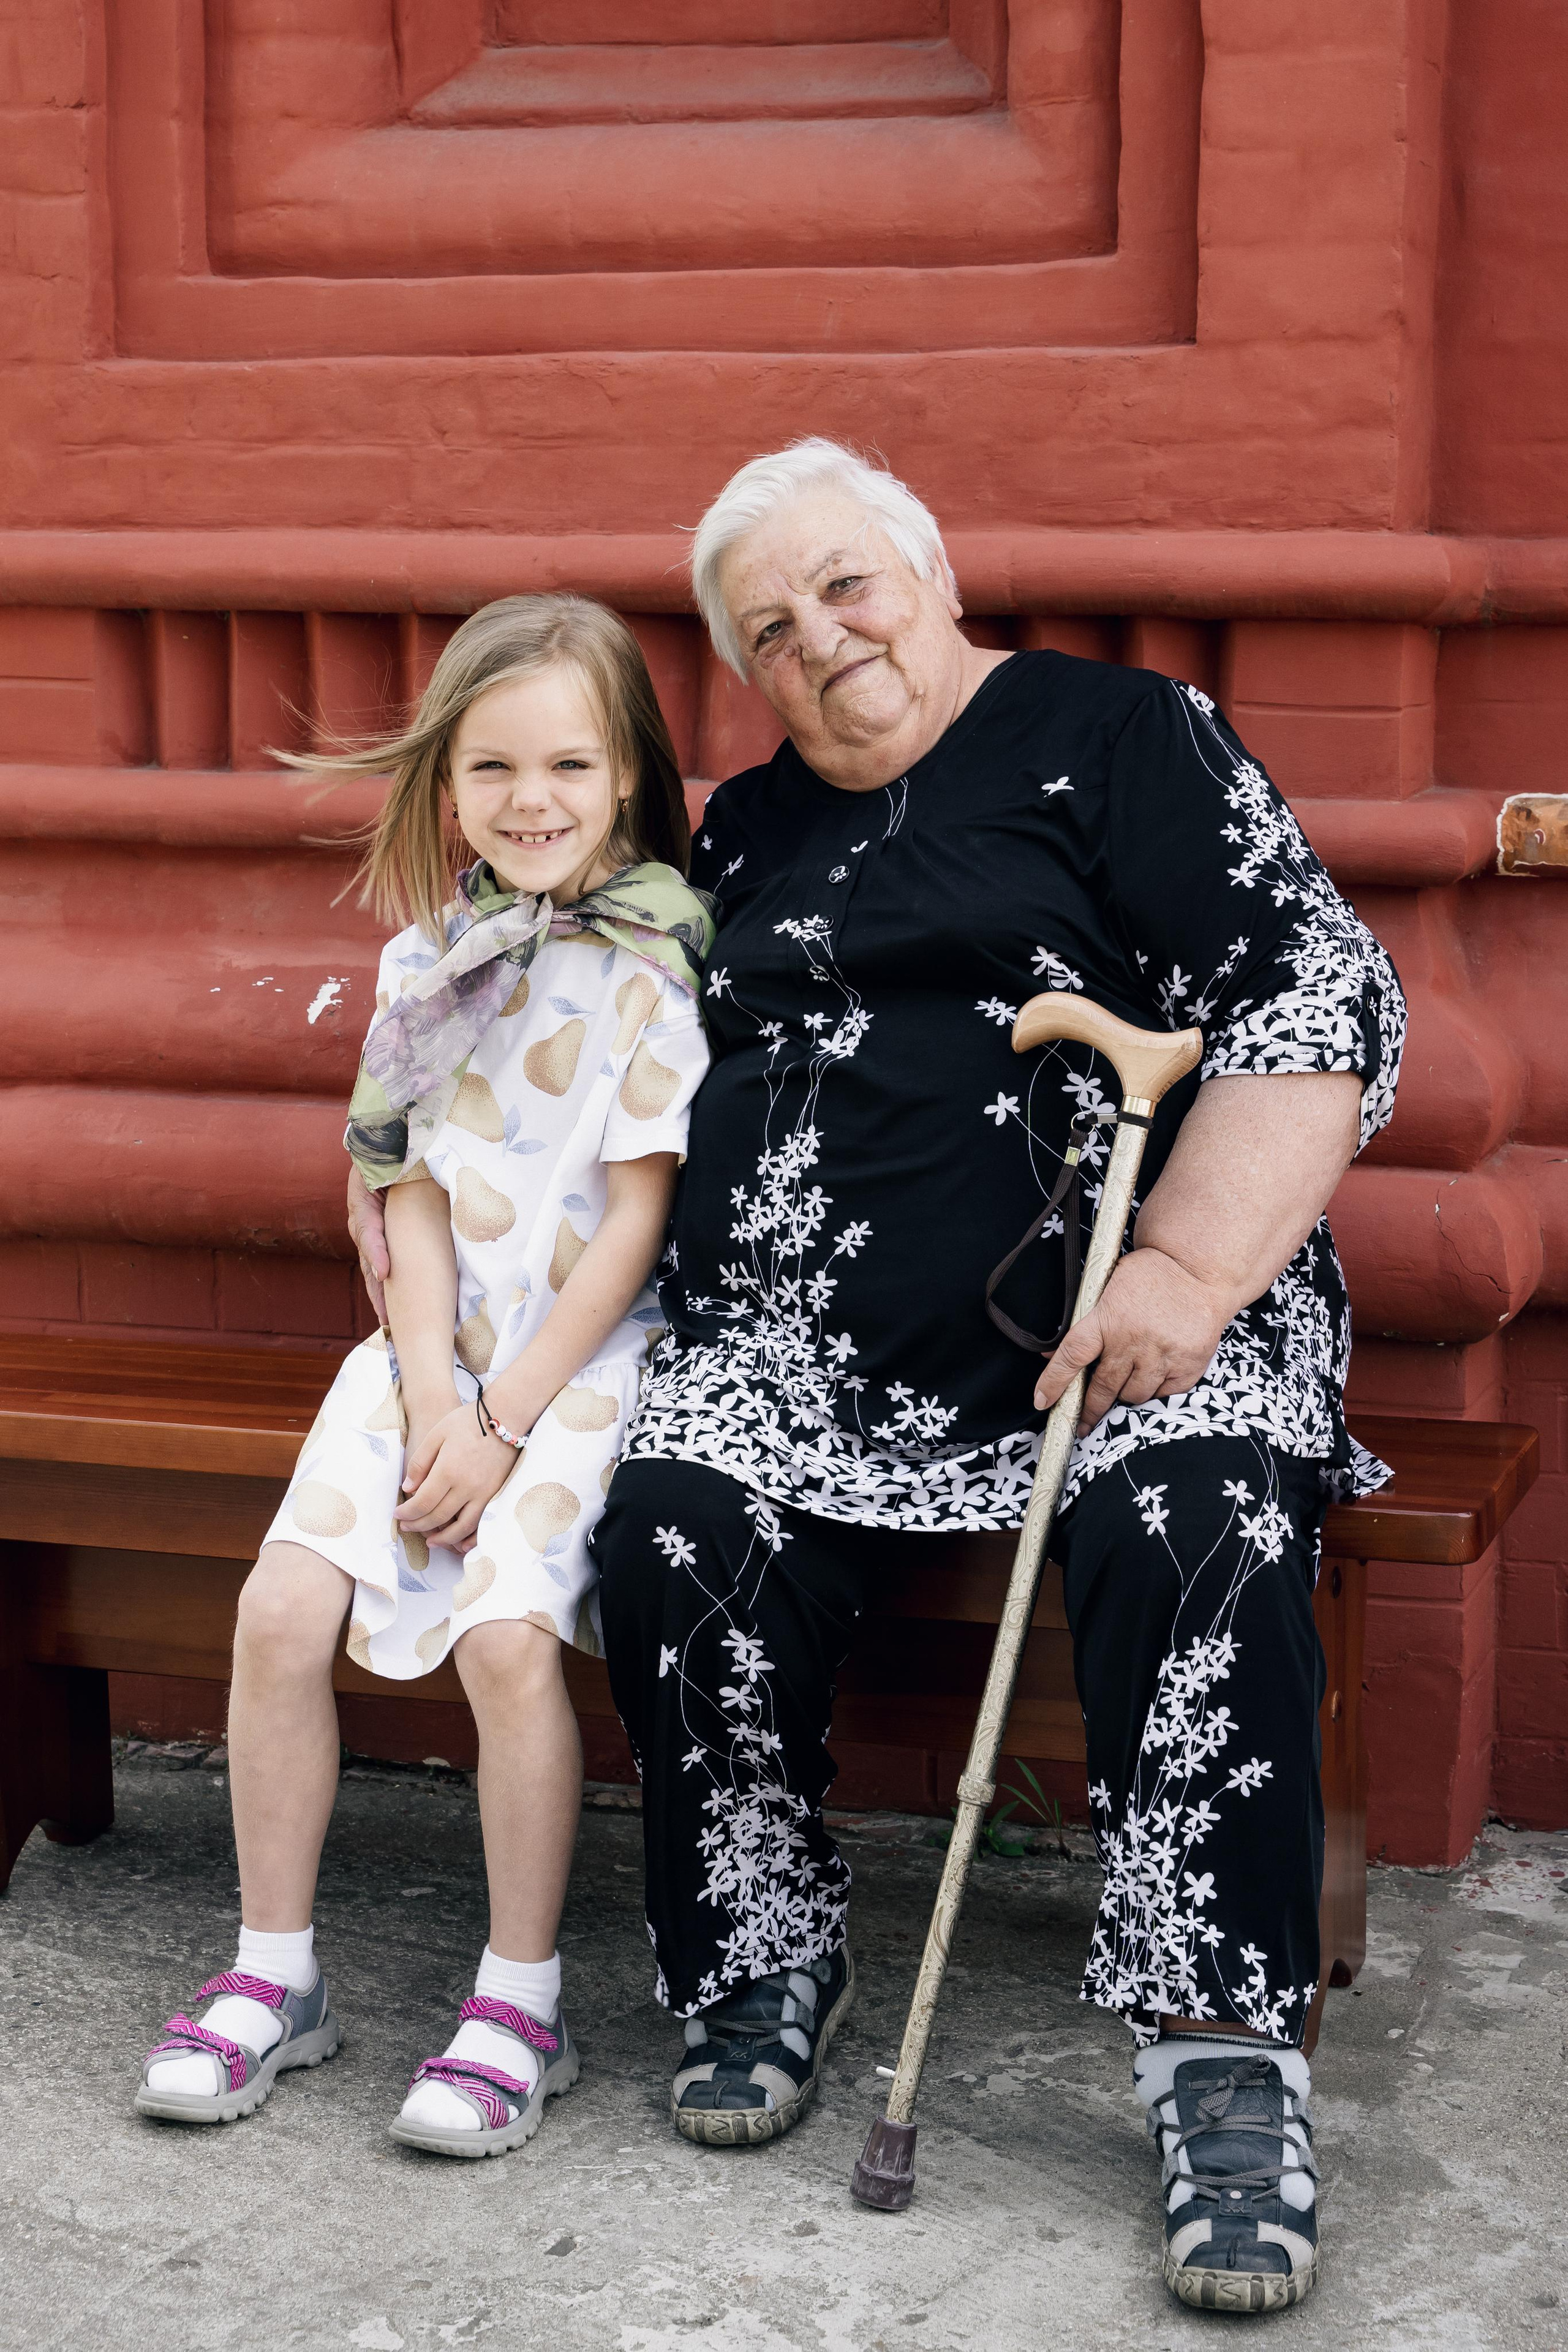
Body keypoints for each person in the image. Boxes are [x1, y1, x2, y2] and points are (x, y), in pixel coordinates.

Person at [352, 441, 1405, 2310]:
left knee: (1202, 1514)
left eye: (846, 586)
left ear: (929, 571)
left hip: (1123, 1313)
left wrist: (1193, 1266)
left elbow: (1315, 991)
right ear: (742, 675)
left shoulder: (1123, 736)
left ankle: (1220, 2061)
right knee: (671, 1512)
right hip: (797, 1342)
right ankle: (761, 1952)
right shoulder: (744, 834)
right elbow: (571, 1014)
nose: (821, 637)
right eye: (768, 626)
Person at [137, 594, 714, 2159]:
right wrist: (432, 1392)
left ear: (630, 780)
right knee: (277, 1608)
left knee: (509, 1634)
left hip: (582, 1362)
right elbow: (402, 1190)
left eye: (569, 767)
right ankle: (276, 1974)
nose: (531, 801)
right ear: (443, 785)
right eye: (492, 769)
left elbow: (638, 1220)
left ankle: (520, 1997)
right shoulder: (426, 959)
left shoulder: (658, 962)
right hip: (427, 1348)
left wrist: (505, 1417)